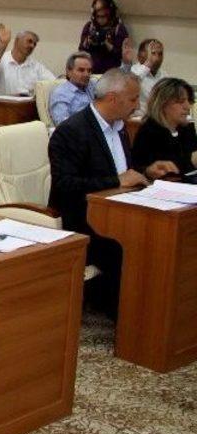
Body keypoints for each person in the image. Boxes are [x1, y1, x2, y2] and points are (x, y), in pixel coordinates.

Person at [48, 70, 173, 315]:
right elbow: (65, 185)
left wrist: (146, 171)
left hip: (123, 211)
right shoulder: (72, 131)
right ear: (113, 98)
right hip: (85, 218)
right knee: (131, 248)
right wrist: (116, 180)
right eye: (133, 99)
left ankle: (154, 311)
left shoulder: (120, 127)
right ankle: (128, 316)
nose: (138, 106)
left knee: (161, 239)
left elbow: (124, 172)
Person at [131, 78, 196, 177]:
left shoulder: (187, 128)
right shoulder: (149, 132)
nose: (187, 106)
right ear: (162, 103)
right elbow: (153, 169)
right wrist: (191, 161)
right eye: (181, 101)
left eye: (189, 101)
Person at [0, 24, 54, 96]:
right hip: (5, 102)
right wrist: (3, 44)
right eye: (29, 41)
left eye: (34, 44)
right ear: (17, 40)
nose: (32, 46)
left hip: (29, 102)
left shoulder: (36, 66)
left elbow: (53, 82)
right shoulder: (2, 59)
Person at [79, 0, 130, 74]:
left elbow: (122, 55)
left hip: (111, 72)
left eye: (104, 16)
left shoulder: (118, 29)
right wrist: (88, 41)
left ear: (111, 14)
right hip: (91, 71)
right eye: (98, 16)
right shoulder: (89, 27)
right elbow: (81, 50)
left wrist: (107, 43)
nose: (100, 19)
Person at [125, 38, 165, 114]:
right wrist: (149, 62)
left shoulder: (164, 75)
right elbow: (132, 82)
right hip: (137, 119)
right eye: (153, 53)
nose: (157, 58)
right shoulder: (134, 71)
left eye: (160, 54)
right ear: (139, 56)